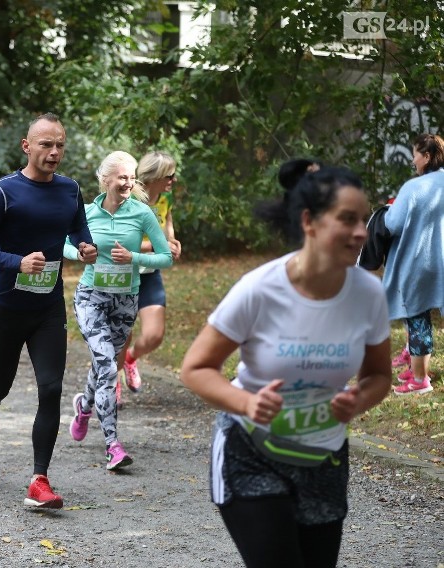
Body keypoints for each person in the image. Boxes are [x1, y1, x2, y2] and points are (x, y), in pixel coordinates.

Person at [179, 165, 391, 568]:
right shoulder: (260, 288)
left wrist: (357, 400)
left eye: (363, 219)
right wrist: (246, 403)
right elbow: (195, 368)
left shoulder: (369, 294)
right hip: (250, 452)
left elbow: (380, 375)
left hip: (323, 458)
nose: (362, 231)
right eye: (348, 219)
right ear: (309, 221)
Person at [0, 112, 97, 509]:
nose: (54, 152)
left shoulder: (70, 190)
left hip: (48, 308)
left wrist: (87, 249)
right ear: (27, 146)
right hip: (7, 306)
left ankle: (39, 480)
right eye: (46, 144)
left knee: (52, 388)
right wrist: (15, 262)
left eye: (60, 145)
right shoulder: (3, 192)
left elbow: (79, 233)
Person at [65, 151, 172, 470]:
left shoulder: (143, 214)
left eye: (131, 177)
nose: (128, 183)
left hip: (126, 300)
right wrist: (80, 255)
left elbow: (166, 257)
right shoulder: (84, 213)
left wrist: (134, 259)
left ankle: (84, 407)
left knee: (104, 364)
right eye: (122, 177)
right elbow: (61, 244)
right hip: (91, 298)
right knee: (108, 368)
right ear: (105, 180)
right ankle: (113, 446)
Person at [383, 132, 444, 395]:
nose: (412, 160)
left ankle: (420, 380)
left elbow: (393, 223)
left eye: (415, 155)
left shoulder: (413, 187)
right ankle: (419, 369)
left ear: (427, 156)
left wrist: (387, 211)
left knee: (416, 315)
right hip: (440, 260)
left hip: (417, 261)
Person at [117, 151, 181, 397]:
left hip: (150, 273)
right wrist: (154, 246)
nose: (173, 180)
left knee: (154, 335)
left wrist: (172, 241)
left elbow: (167, 222)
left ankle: (130, 359)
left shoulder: (165, 198)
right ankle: (114, 382)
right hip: (125, 273)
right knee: (123, 334)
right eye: (169, 175)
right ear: (155, 176)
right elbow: (116, 241)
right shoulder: (129, 201)